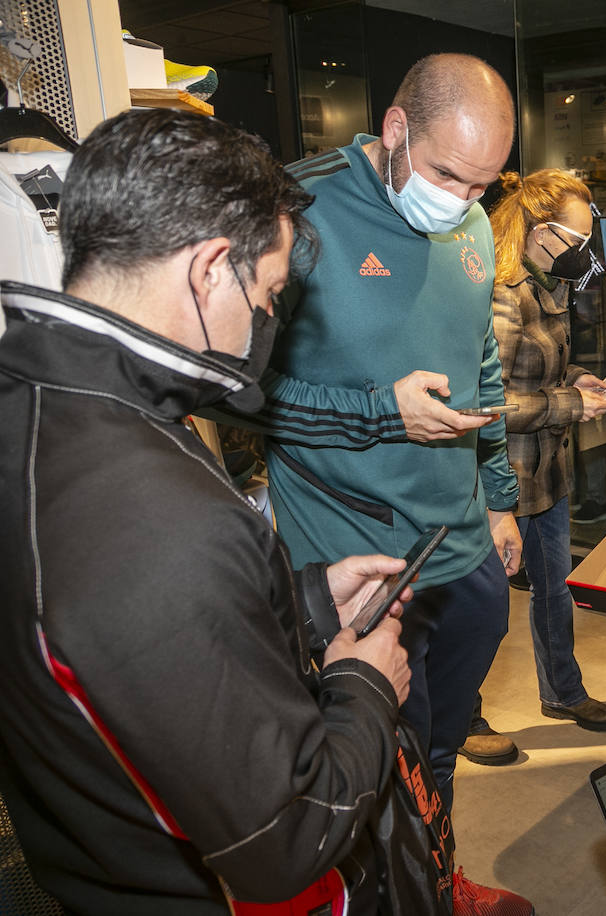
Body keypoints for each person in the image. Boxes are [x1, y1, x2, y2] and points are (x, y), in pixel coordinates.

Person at [0, 108, 423, 913]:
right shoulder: (159, 516)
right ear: (208, 270)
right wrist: (362, 685)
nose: (265, 323)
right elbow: (289, 838)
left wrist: (301, 602)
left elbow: (137, 648)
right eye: (266, 296)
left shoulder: (36, 400)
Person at [218, 54, 530, 787]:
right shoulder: (296, 211)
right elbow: (230, 387)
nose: (462, 199)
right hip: (353, 554)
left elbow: (481, 361)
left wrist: (501, 500)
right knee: (383, 767)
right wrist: (379, 413)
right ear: (395, 129)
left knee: (444, 752)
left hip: (462, 543)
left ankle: (442, 877)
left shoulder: (476, 226)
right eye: (448, 175)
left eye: (483, 184)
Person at [488, 168, 606, 731]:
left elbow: (544, 372)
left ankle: (563, 691)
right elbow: (486, 405)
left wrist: (579, 379)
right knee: (486, 609)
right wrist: (569, 404)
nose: (585, 252)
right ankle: (464, 717)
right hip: (500, 480)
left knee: (554, 594)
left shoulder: (553, 285)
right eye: (578, 240)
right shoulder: (502, 293)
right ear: (541, 233)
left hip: (549, 473)